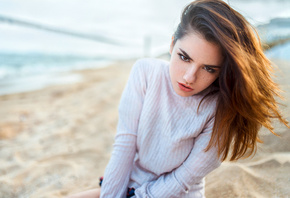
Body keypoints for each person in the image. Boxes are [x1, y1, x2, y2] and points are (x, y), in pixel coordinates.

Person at [66, 0, 289, 197]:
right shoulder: (145, 72)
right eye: (184, 57)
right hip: (133, 181)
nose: (189, 77)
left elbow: (185, 177)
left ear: (221, 71)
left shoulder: (220, 106)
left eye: (209, 69)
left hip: (177, 192)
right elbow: (125, 143)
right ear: (172, 44)